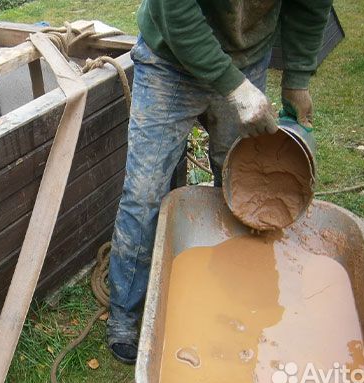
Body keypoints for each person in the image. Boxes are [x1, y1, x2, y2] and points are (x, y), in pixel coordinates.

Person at [107, 0, 333, 363]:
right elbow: (176, 13)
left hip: (247, 56)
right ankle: (125, 314)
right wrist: (235, 89)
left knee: (243, 187)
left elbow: (310, 5)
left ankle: (232, 296)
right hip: (169, 63)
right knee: (144, 192)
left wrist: (298, 79)